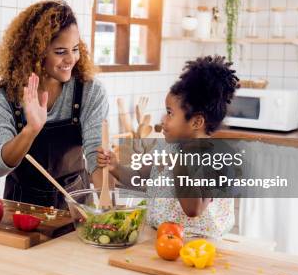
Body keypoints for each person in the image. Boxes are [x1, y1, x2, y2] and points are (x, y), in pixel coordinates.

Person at [0, 0, 108, 209]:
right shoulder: (4, 96)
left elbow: (96, 156)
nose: (71, 59)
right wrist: (30, 130)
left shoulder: (90, 91)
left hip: (76, 208)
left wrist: (107, 206)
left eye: (75, 49)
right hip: (21, 208)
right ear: (36, 53)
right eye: (60, 51)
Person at [97, 55, 239, 238]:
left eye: (170, 113)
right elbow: (140, 178)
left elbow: (193, 209)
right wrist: (115, 167)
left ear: (196, 122)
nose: (163, 120)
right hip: (161, 237)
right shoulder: (168, 148)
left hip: (197, 245)